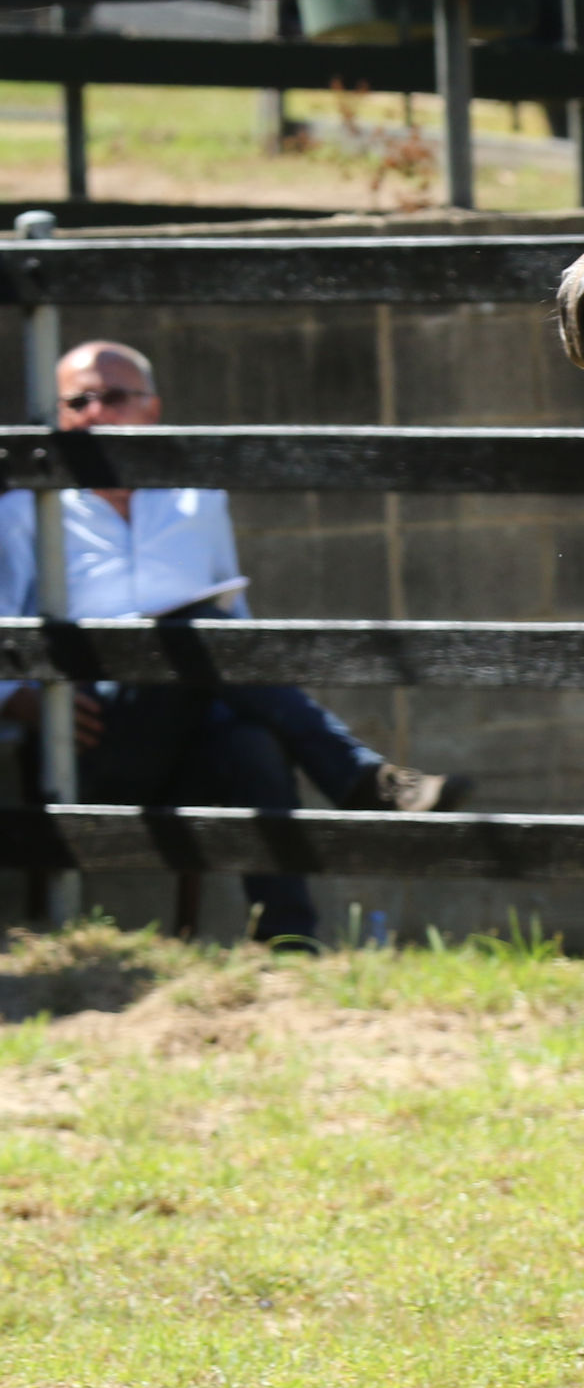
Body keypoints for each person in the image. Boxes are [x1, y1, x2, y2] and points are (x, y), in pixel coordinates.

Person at [0, 340, 471, 947]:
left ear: (152, 409)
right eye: (77, 401)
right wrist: (21, 700)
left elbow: (232, 617)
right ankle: (361, 778)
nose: (94, 412)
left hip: (188, 727)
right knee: (192, 630)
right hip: (90, 740)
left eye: (112, 396)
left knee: (251, 739)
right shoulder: (24, 512)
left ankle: (288, 942)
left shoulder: (195, 498)